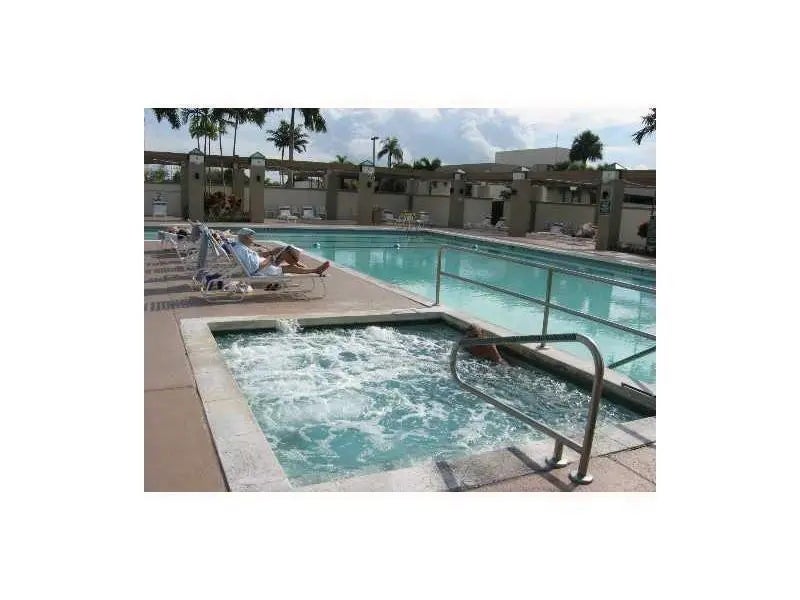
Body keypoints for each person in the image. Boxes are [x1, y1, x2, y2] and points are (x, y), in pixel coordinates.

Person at [230, 228, 330, 277]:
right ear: (245, 237)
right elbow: (254, 268)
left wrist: (270, 253)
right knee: (290, 267)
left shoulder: (241, 247)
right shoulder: (241, 250)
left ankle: (300, 265)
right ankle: (315, 270)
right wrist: (269, 259)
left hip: (265, 263)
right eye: (251, 237)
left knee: (283, 251)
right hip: (264, 268)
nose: (253, 239)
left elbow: (255, 256)